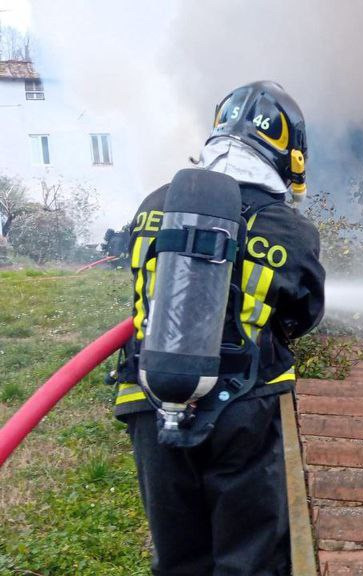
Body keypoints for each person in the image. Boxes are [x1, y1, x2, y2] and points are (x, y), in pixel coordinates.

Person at [112, 81, 325, 575]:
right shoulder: (287, 228)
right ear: (288, 152)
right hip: (242, 410)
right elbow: (304, 314)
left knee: (179, 558)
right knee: (250, 557)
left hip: (152, 399)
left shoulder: (154, 204)